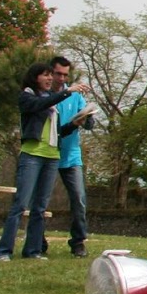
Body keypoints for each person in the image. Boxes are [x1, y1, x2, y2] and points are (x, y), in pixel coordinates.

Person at [0, 63, 90, 261]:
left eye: (50, 76)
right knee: (20, 205)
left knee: (40, 207)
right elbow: (38, 106)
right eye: (46, 76)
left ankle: (33, 250)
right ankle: (4, 251)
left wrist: (74, 124)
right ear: (35, 77)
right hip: (32, 155)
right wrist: (68, 92)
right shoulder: (27, 97)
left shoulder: (50, 102)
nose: (50, 79)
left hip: (51, 157)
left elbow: (58, 132)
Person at [51, 56, 94, 257]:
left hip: (71, 156)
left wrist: (87, 117)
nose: (61, 78)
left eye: (65, 75)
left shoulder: (75, 96)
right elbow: (58, 131)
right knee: (40, 201)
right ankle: (37, 241)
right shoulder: (45, 96)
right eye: (58, 74)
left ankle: (78, 242)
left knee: (79, 198)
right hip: (49, 155)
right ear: (50, 73)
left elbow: (88, 124)